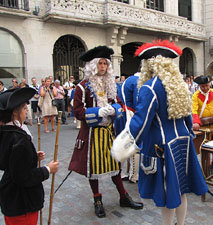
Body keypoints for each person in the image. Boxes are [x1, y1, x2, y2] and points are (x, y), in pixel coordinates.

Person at [112, 40, 208, 225]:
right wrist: (189, 134)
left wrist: (124, 144)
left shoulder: (150, 87)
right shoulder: (179, 85)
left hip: (163, 147)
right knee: (181, 190)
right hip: (183, 142)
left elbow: (141, 121)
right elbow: (188, 116)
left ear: (148, 64)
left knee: (168, 193)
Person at [68, 45, 143, 218]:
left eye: (105, 64)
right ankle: (97, 199)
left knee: (115, 165)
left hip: (109, 132)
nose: (102, 67)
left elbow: (120, 105)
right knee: (92, 168)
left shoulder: (111, 84)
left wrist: (114, 109)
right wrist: (97, 112)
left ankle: (123, 196)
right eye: (100, 63)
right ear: (93, 66)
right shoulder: (82, 87)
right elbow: (78, 111)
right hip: (91, 135)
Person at [0, 87, 59, 225]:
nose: (26, 111)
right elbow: (23, 177)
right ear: (15, 112)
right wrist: (47, 169)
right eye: (24, 108)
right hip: (22, 203)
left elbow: (9, 161)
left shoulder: (5, 132)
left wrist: (32, 157)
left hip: (11, 198)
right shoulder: (19, 140)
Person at [192, 75, 213, 171]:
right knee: (205, 148)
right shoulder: (195, 96)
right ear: (199, 86)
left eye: (207, 85)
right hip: (203, 128)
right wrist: (195, 122)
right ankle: (205, 167)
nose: (206, 88)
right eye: (203, 86)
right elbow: (194, 111)